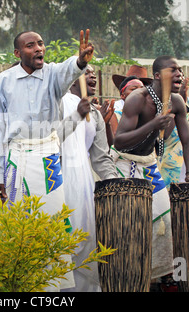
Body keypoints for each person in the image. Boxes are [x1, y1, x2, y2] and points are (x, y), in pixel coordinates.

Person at [0, 30, 94, 290]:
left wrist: (80, 62)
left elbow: (69, 70)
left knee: (52, 223)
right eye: (30, 45)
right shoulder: (4, 81)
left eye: (41, 43)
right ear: (17, 53)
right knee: (19, 228)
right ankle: (21, 285)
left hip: (48, 161)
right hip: (16, 160)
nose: (38, 49)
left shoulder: (54, 75)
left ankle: (52, 287)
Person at [113, 55, 189, 291]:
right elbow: (120, 142)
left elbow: (188, 141)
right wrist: (153, 125)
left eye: (180, 70)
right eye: (172, 70)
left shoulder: (176, 101)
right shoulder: (137, 99)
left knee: (165, 220)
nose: (179, 74)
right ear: (156, 76)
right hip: (125, 163)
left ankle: (162, 278)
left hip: (150, 163)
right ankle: (130, 277)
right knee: (131, 224)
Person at [60, 65, 117, 292]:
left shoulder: (94, 114)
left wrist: (113, 182)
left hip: (84, 185)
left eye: (95, 73)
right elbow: (50, 138)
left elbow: (101, 157)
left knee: (85, 240)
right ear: (71, 77)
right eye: (86, 71)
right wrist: (76, 114)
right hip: (57, 180)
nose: (92, 75)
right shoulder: (58, 103)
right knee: (62, 242)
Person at [158, 74, 189, 188]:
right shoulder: (164, 103)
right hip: (170, 167)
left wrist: (185, 102)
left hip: (188, 163)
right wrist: (176, 108)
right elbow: (165, 134)